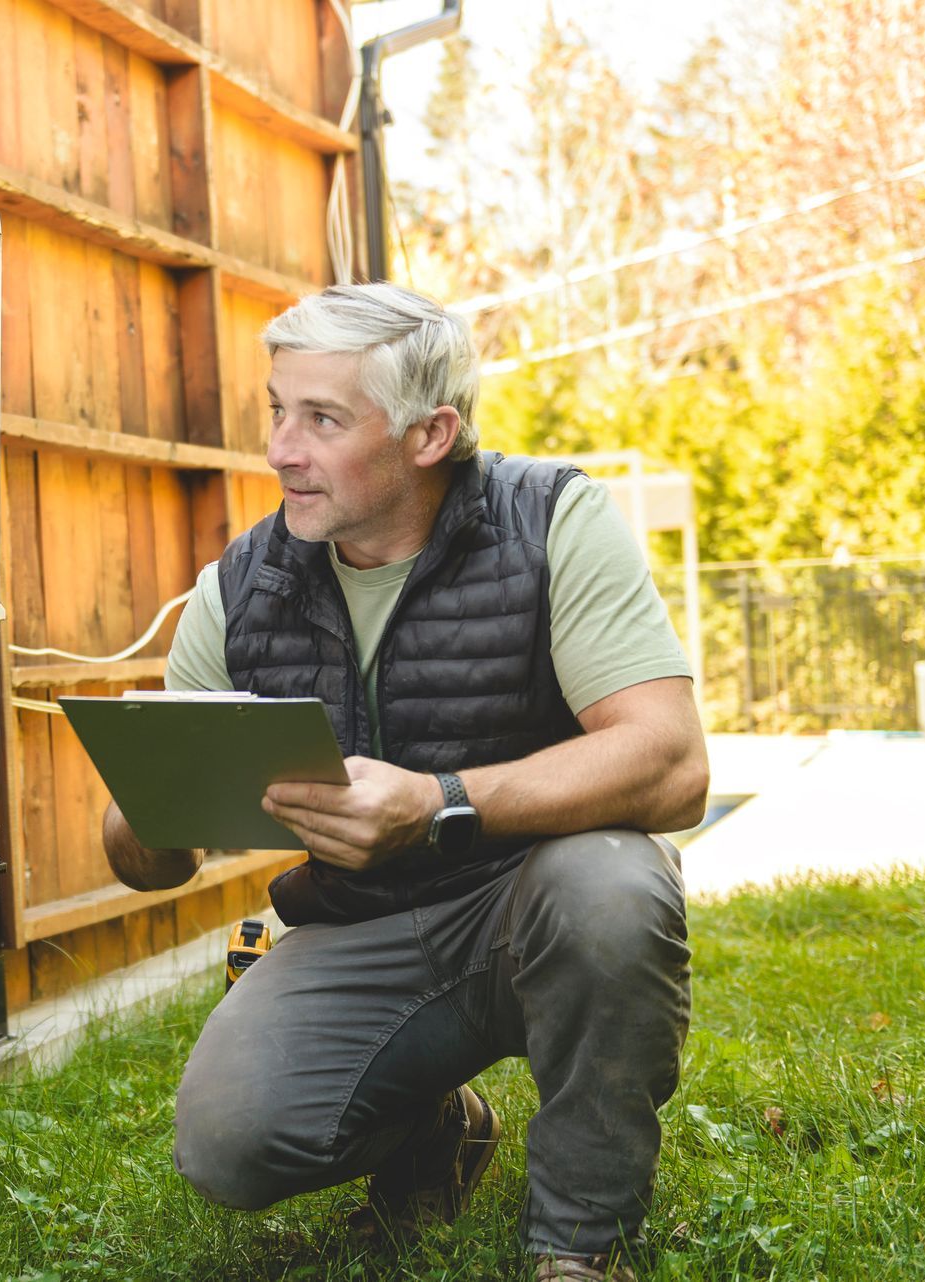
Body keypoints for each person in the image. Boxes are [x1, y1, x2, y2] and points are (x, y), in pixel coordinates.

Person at [101, 283, 707, 1282]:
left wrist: (439, 801)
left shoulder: (553, 520)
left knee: (611, 886)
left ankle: (578, 1244)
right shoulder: (240, 587)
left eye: (323, 419)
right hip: (360, 929)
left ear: (431, 434)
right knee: (228, 1143)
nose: (281, 450)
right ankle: (439, 1134)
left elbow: (671, 761)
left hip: (534, 901)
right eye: (276, 409)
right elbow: (150, 859)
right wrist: (146, 816)